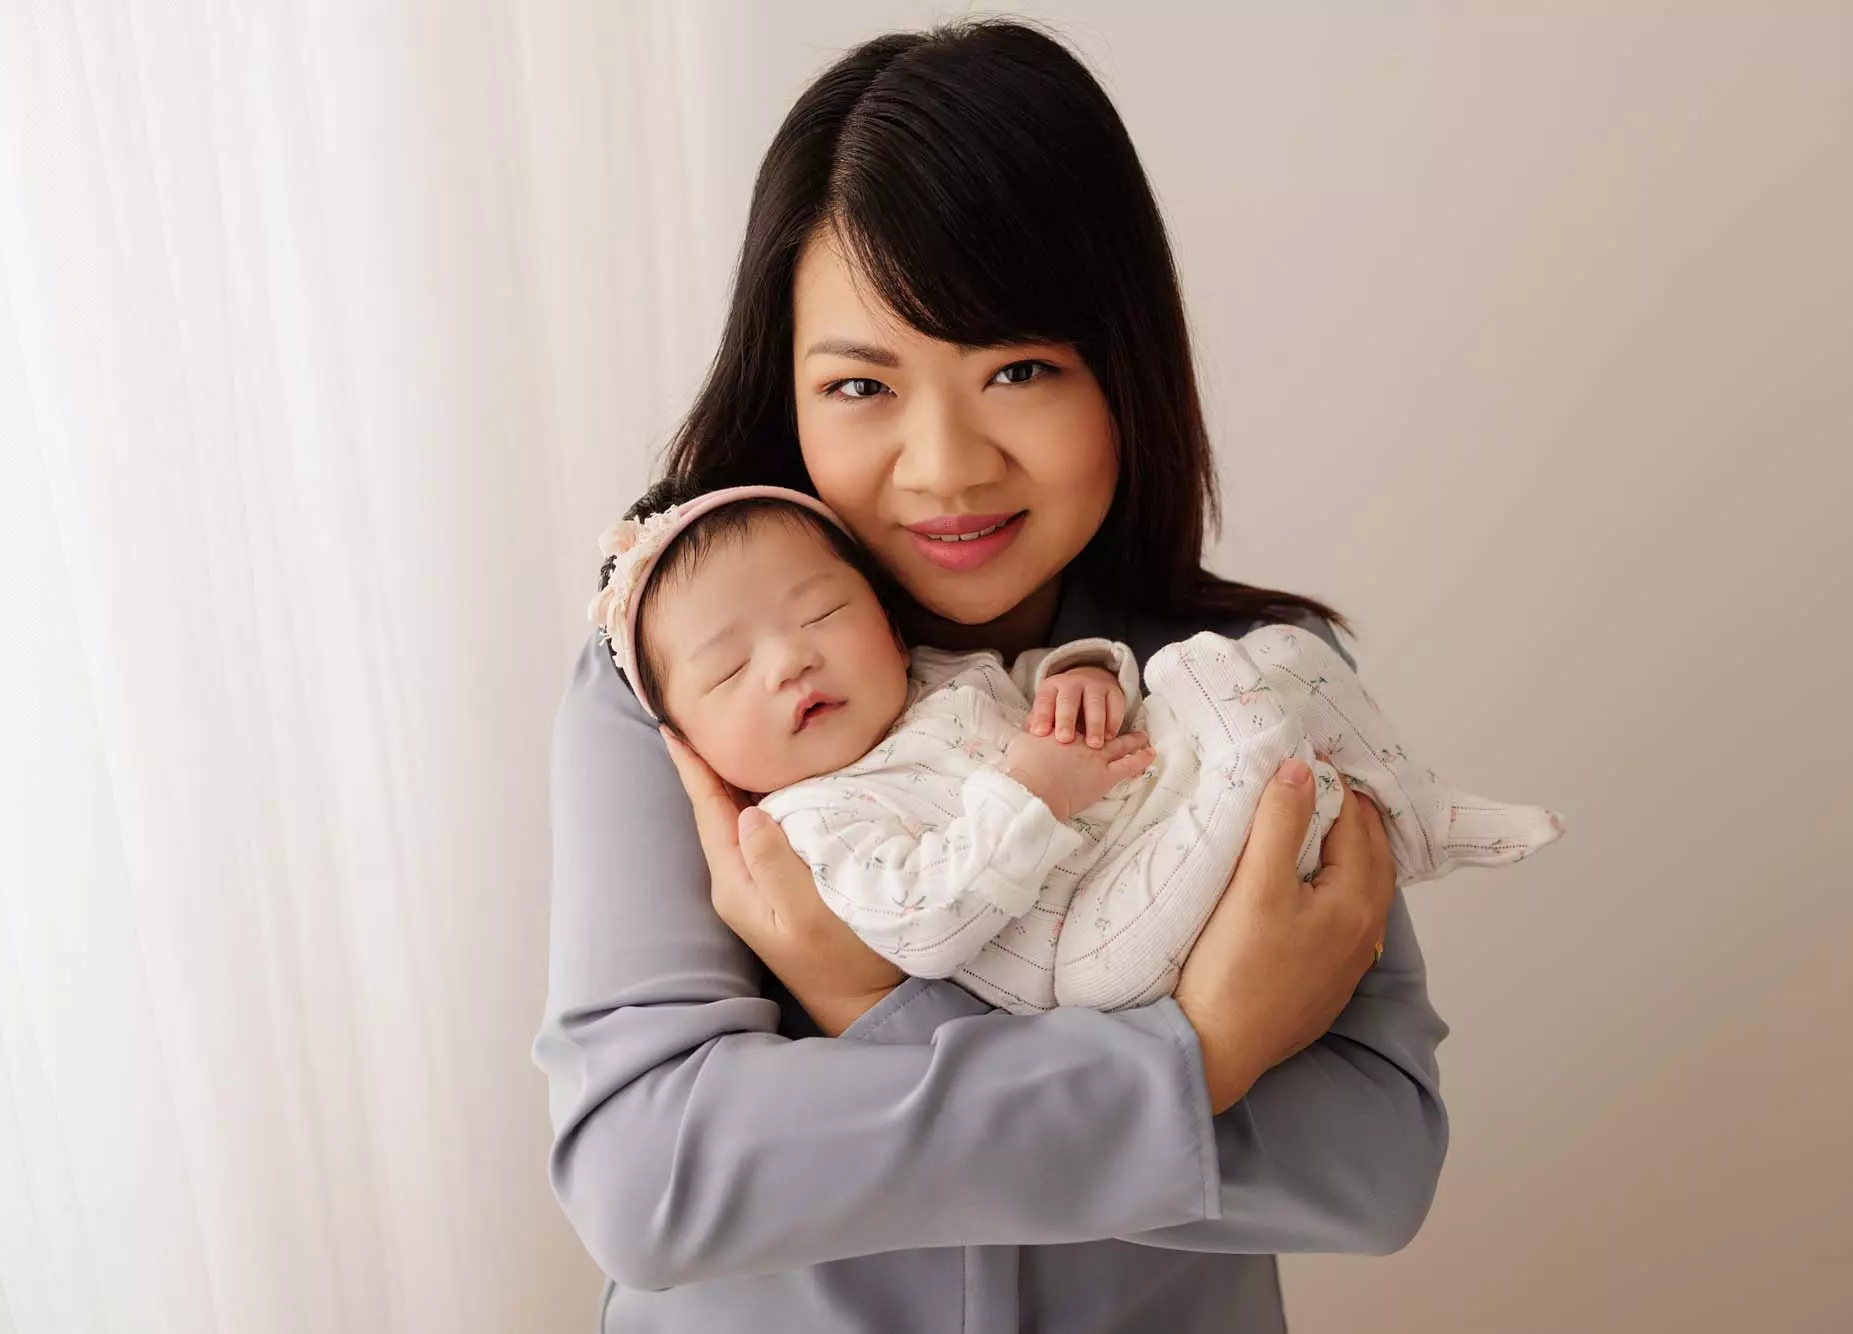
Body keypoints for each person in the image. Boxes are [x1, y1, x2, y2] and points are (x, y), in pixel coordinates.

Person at [535, 20, 1453, 1332]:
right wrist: (1197, 1058)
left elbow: (1373, 1161)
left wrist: (865, 1006)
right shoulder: (681, 682)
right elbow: (650, 1176)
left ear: (1123, 367)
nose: (947, 466)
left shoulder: (1251, 692)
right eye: (862, 385)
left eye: (1018, 370)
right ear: (785, 389)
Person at [587, 481, 1563, 1015]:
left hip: (1149, 819)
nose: (789, 660)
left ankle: (1416, 813)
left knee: (1269, 655)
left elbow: (1035, 691)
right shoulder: (810, 822)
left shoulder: (938, 680)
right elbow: (918, 926)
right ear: (690, 748)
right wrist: (1030, 794)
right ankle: (1309, 801)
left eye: (822, 613)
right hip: (1086, 946)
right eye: (728, 670)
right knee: (1246, 748)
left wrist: (1082, 677)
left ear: (883, 619)